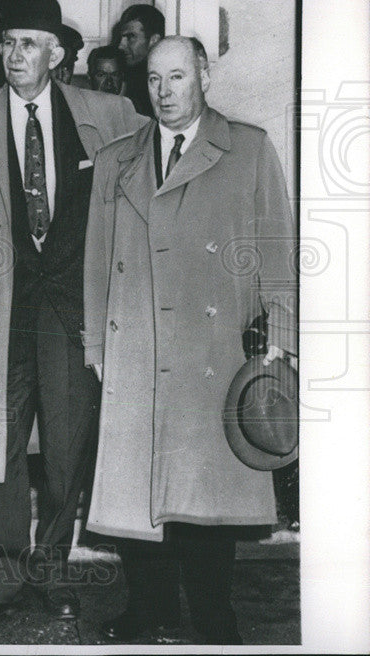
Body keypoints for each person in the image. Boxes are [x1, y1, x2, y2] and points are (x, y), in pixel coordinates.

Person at [82, 36, 297, 644]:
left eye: (177, 77)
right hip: (138, 344)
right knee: (137, 495)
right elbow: (97, 259)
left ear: (204, 74)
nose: (165, 92)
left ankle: (212, 618)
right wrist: (97, 345)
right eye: (154, 79)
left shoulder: (247, 148)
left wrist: (278, 335)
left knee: (207, 500)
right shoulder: (117, 158)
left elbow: (277, 249)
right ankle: (146, 610)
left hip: (217, 346)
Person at [0, 0, 145, 634]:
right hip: (2, 311)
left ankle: (53, 567)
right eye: (5, 44)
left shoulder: (110, 115)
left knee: (66, 449)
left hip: (71, 310)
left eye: (27, 43)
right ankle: (1, 576)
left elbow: (156, 178)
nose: (13, 55)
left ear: (55, 53)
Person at [116, 4, 165, 117]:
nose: (121, 46)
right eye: (122, 38)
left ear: (154, 40)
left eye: (130, 37)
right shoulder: (132, 75)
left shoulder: (162, 82)